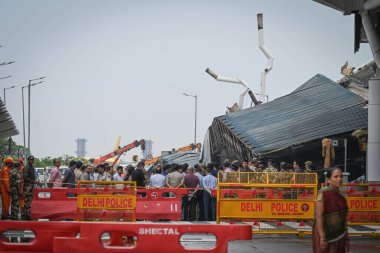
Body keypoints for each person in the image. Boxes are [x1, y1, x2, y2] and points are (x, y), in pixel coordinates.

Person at [313, 167, 349, 253]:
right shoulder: (323, 193)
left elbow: (343, 218)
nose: (339, 179)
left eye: (340, 177)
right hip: (325, 234)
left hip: (340, 235)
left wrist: (346, 238)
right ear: (328, 180)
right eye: (336, 177)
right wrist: (322, 237)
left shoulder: (342, 195)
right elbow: (319, 215)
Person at [22, 155, 36, 220]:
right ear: (28, 160)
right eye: (31, 159)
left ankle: (27, 214)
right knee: (27, 200)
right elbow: (25, 177)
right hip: (28, 185)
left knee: (29, 201)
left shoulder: (31, 166)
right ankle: (26, 215)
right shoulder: (27, 167)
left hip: (31, 185)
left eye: (33, 159)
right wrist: (33, 181)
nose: (32, 160)